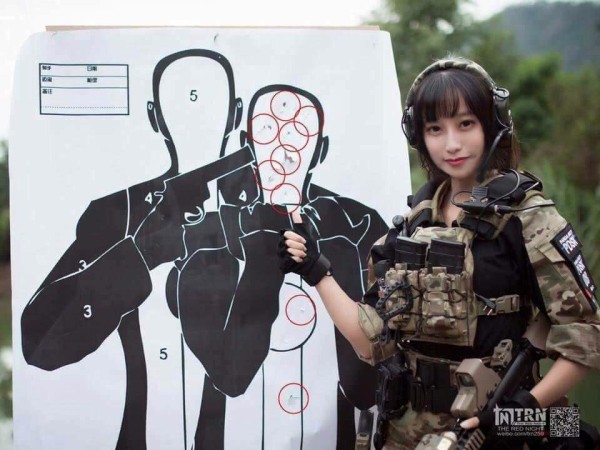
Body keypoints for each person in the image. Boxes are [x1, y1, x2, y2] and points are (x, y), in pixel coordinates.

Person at [278, 57, 600, 449]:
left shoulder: (529, 219)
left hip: (499, 432)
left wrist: (518, 415)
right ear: (420, 136)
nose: (451, 144)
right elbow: (370, 344)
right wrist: (316, 269)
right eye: (435, 129)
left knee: (571, 429)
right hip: (408, 435)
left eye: (465, 124)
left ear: (492, 124)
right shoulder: (410, 228)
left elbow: (585, 337)